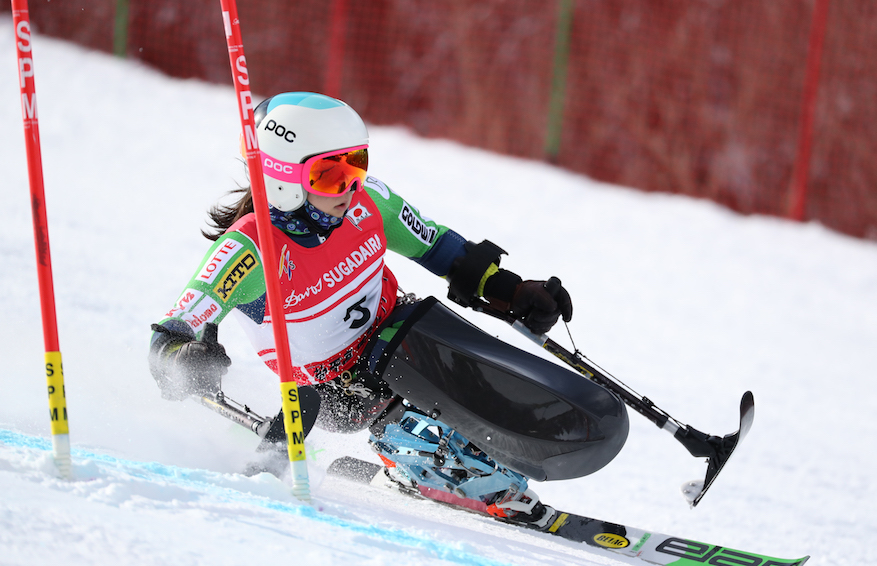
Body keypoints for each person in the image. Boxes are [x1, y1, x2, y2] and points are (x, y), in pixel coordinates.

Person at [148, 92, 626, 526]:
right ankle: (429, 460)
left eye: (355, 165)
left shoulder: (368, 202)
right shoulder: (251, 250)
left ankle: (510, 441)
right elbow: (169, 335)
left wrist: (511, 289)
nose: (350, 186)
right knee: (431, 407)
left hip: (406, 332)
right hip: (336, 389)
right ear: (282, 179)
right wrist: (184, 359)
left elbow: (440, 249)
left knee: (452, 355)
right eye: (330, 175)